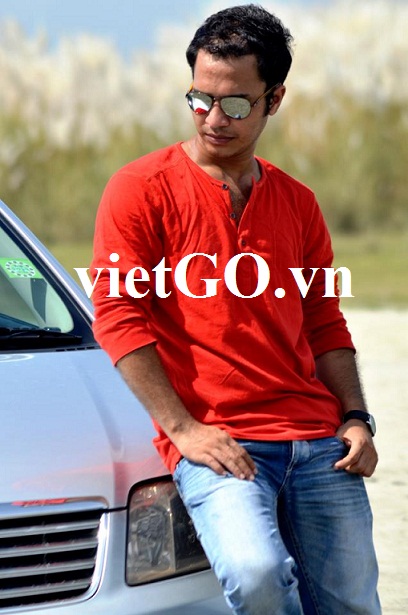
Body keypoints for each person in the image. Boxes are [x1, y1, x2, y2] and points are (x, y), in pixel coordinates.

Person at [91, 4, 381, 614]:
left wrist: (356, 417)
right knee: (256, 578)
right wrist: (182, 429)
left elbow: (323, 321)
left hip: (318, 440)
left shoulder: (298, 203)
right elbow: (117, 314)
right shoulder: (140, 189)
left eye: (236, 104)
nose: (214, 118)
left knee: (353, 604)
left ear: (274, 99)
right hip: (220, 441)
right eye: (200, 98)